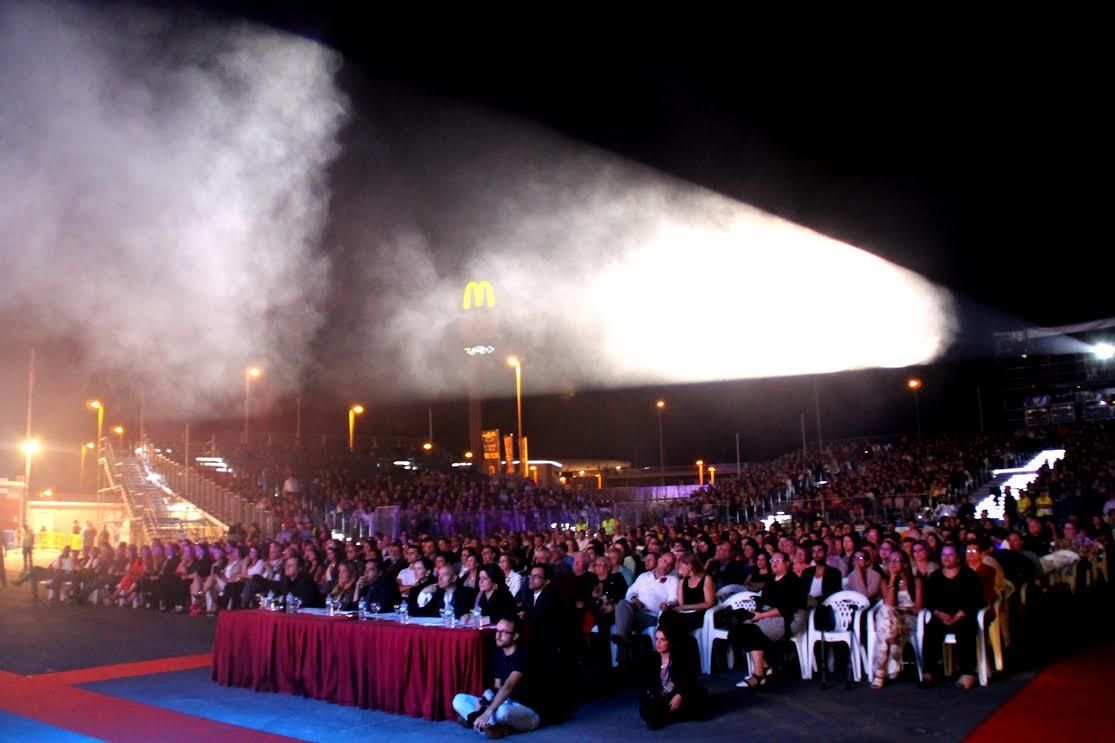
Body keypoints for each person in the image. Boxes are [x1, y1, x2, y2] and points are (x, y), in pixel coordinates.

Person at [452, 618, 541, 737]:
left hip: (527, 710)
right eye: (497, 631)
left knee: (501, 712)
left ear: (515, 636)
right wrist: (484, 700)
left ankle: (475, 720)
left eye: (504, 632)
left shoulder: (523, 654)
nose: (498, 636)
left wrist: (487, 711)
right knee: (458, 700)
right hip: (505, 702)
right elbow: (497, 687)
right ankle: (489, 725)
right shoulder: (497, 654)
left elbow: (508, 686)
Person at [731, 550, 802, 687]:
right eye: (772, 561)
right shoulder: (770, 579)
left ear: (787, 563)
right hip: (767, 616)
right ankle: (765, 666)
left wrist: (761, 616)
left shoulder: (793, 582)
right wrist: (754, 613)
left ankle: (758, 675)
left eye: (778, 561)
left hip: (786, 619)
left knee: (751, 630)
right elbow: (763, 602)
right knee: (737, 628)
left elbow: (786, 609)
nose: (774, 564)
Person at [921, 543, 985, 689]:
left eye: (950, 555)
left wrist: (958, 615)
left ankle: (967, 673)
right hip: (941, 616)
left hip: (964, 615)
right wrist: (939, 613)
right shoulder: (935, 577)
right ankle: (929, 671)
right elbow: (929, 600)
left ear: (957, 558)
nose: (946, 558)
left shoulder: (969, 575)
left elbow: (976, 600)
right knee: (930, 630)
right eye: (944, 555)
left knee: (966, 630)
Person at [870, 550, 923, 688]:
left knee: (886, 618)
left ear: (905, 564)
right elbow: (889, 603)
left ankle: (880, 672)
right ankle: (892, 647)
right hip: (891, 621)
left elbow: (917, 608)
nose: (892, 564)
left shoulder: (915, 581)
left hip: (909, 620)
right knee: (887, 614)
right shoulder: (885, 581)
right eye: (890, 561)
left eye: (896, 560)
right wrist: (893, 579)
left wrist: (901, 610)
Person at [639, 626, 707, 730]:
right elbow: (647, 684)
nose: (658, 643)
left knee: (698, 698)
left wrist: (680, 694)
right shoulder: (651, 659)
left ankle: (668, 715)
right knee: (647, 709)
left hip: (679, 693)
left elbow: (689, 679)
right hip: (661, 696)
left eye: (663, 640)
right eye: (656, 639)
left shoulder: (679, 657)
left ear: (670, 642)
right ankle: (669, 715)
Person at [613, 552, 678, 653]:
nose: (666, 565)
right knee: (622, 604)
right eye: (665, 561)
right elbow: (630, 591)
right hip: (635, 612)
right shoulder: (644, 576)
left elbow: (673, 599)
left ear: (672, 566)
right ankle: (623, 638)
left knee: (623, 630)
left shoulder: (672, 580)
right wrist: (634, 598)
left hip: (652, 615)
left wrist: (667, 605)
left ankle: (623, 650)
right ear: (659, 561)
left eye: (670, 564)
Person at [658, 553, 715, 637]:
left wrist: (687, 607)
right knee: (665, 615)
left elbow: (709, 603)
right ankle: (666, 643)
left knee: (675, 622)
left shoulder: (706, 579)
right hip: (686, 613)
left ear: (689, 566)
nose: (678, 568)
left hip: (700, 613)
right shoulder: (682, 581)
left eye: (680, 566)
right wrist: (668, 605)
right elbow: (681, 604)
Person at [413, 565, 477, 619]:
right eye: (439, 575)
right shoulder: (438, 594)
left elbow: (468, 613)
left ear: (454, 578)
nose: (439, 578)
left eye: (444, 575)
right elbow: (422, 613)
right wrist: (423, 592)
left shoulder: (467, 593)